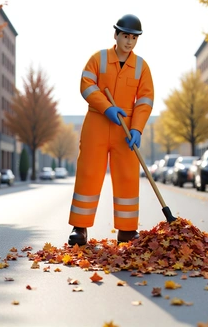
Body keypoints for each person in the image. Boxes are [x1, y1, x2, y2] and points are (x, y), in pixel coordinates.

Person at [68, 14, 154, 246]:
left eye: (134, 38)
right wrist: (106, 108)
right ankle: (80, 228)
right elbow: (86, 85)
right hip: (97, 122)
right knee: (89, 172)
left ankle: (126, 231)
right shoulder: (99, 59)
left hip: (125, 129)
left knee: (127, 175)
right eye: (125, 36)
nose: (129, 42)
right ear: (115, 35)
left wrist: (137, 129)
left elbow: (145, 100)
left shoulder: (141, 67)